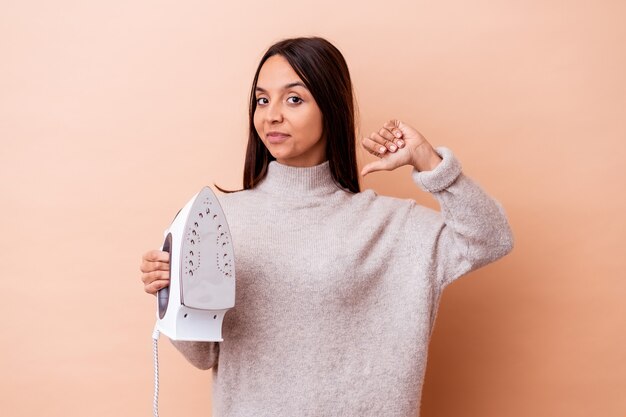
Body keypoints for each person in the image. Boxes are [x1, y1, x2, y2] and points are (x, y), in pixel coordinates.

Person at [140, 36, 513, 417]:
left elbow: (490, 239)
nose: (271, 115)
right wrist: (169, 294)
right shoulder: (217, 220)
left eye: (294, 99)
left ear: (331, 108)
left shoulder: (391, 227)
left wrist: (429, 161)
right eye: (262, 100)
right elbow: (203, 355)